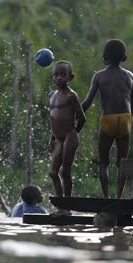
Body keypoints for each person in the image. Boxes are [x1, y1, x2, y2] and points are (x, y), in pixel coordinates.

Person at [81, 39, 133, 199]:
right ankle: (118, 197)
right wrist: (129, 122)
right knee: (122, 164)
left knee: (103, 162)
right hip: (125, 119)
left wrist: (74, 115)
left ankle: (106, 197)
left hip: (108, 119)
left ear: (105, 56)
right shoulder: (130, 76)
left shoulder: (99, 76)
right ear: (123, 57)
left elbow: (87, 102)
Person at [47, 60, 86, 216]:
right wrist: (51, 140)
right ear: (52, 77)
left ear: (71, 77)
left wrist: (74, 133)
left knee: (65, 171)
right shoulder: (52, 95)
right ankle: (60, 205)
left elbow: (82, 118)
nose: (59, 78)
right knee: (53, 172)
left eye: (63, 75)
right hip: (58, 139)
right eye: (56, 75)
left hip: (69, 136)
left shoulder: (71, 96)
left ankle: (66, 207)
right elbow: (53, 119)